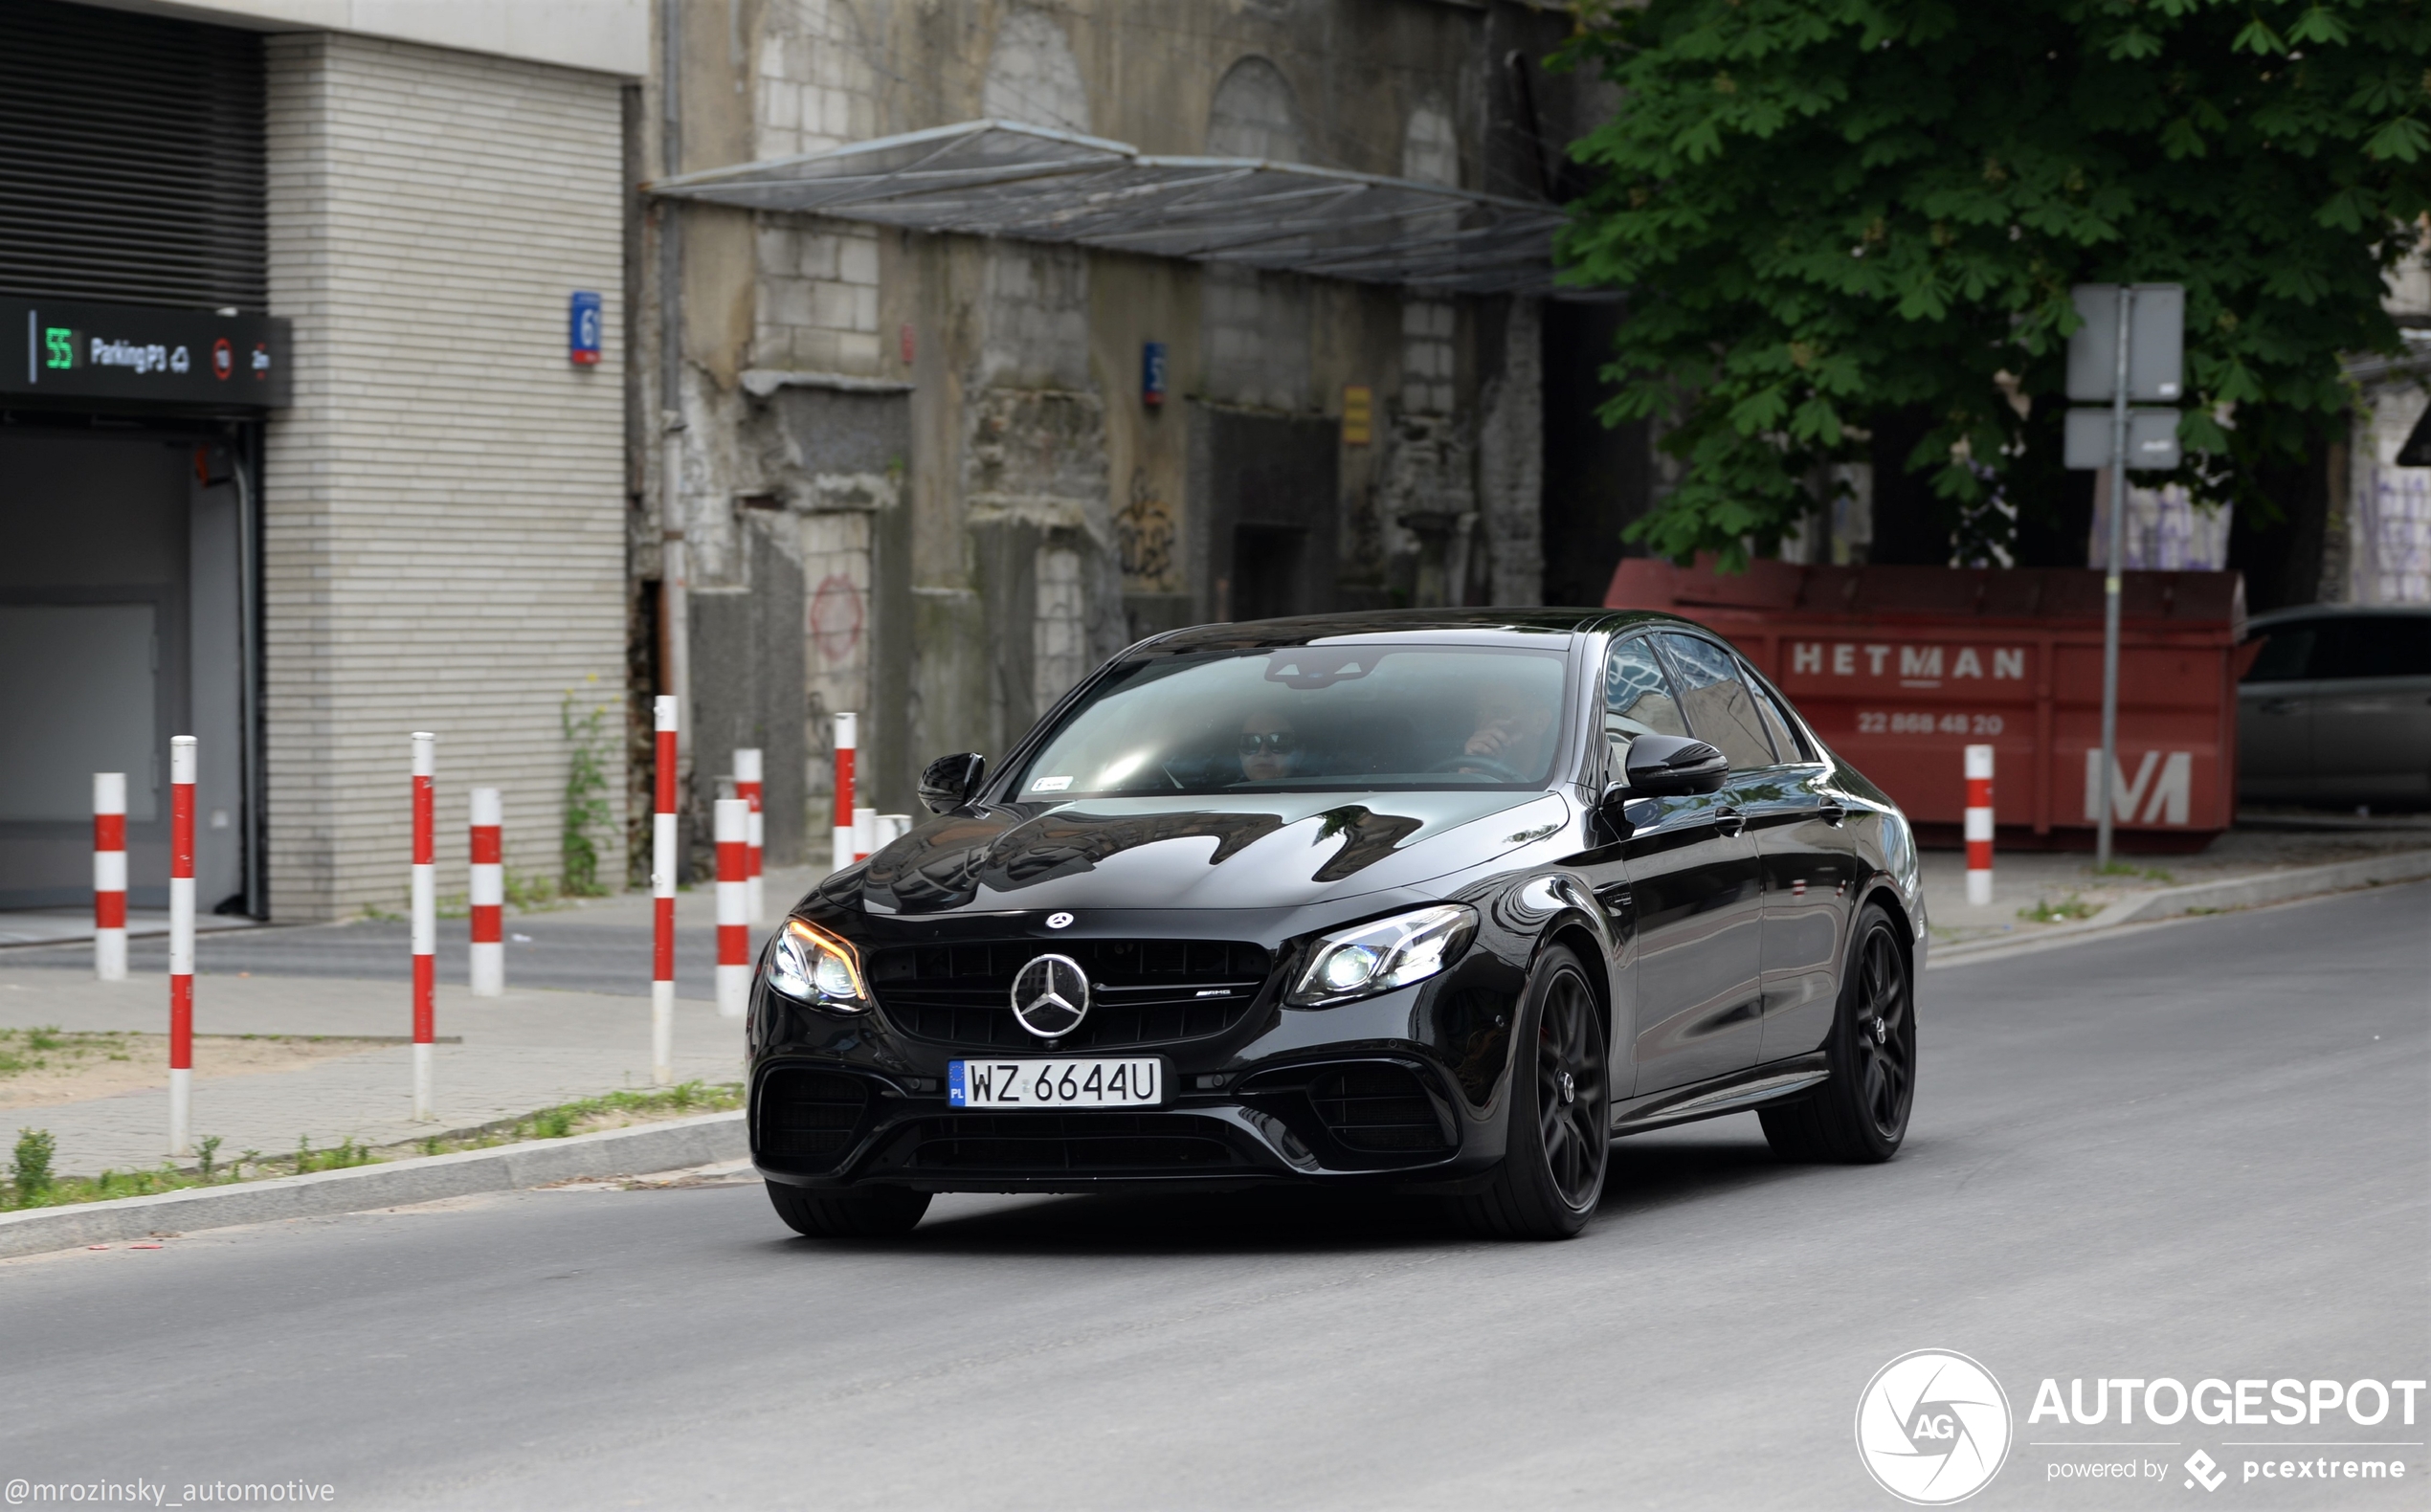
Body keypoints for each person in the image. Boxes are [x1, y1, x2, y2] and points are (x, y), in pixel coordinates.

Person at [1458, 682, 1553, 778]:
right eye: (1479, 712)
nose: (1483, 724)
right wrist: (1468, 774)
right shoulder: (1451, 771)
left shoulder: (1559, 779)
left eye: (1499, 713)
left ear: (1539, 723)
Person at [1238, 709, 1300, 782]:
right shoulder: (1224, 791)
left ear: (1300, 755)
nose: (1263, 752)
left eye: (1277, 743)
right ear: (1240, 754)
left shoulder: (1313, 790)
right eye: (1251, 743)